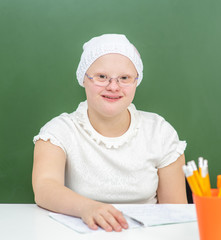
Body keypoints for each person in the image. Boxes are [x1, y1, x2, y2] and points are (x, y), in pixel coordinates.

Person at [32, 34, 187, 232]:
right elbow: (45, 187)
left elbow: (176, 212)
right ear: (83, 79)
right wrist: (87, 208)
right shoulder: (58, 131)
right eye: (102, 77)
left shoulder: (160, 132)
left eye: (124, 78)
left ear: (136, 81)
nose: (113, 87)